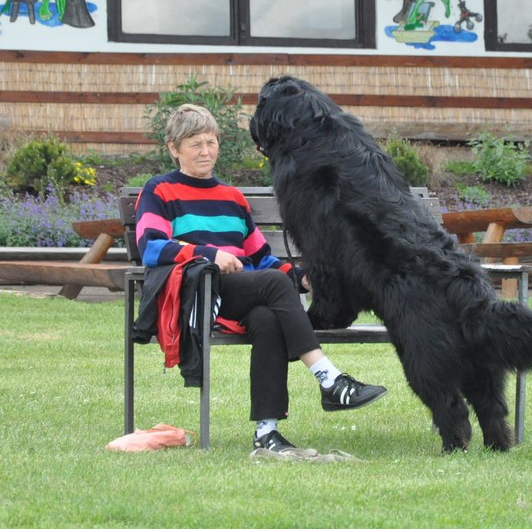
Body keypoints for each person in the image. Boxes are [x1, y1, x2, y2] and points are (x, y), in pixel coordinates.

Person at [134, 104, 387, 455]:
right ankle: (329, 378)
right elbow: (150, 247)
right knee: (272, 284)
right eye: (195, 144)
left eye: (211, 142)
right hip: (198, 291)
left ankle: (266, 433)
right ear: (174, 149)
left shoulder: (232, 198)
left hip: (244, 291)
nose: (205, 151)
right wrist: (210, 255)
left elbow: (262, 260)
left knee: (268, 318)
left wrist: (303, 280)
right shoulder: (159, 190)